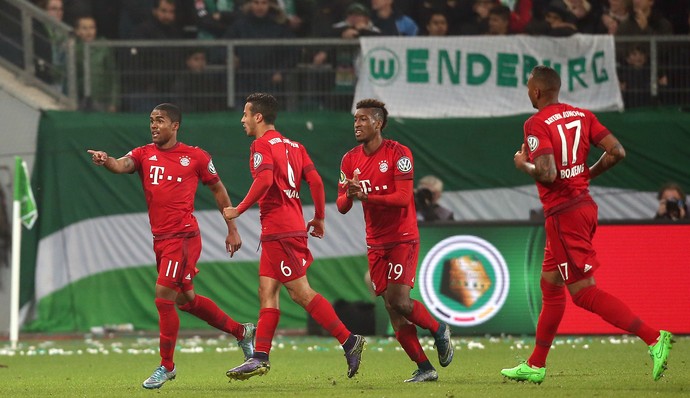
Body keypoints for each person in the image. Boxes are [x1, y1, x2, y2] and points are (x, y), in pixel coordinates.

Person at [501, 65, 673, 384]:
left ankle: (653, 338)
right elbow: (616, 151)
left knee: (583, 293)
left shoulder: (535, 123)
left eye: (528, 87)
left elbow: (548, 173)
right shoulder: (582, 115)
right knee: (550, 285)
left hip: (564, 213)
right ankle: (536, 364)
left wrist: (522, 164)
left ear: (537, 91)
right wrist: (586, 175)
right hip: (582, 206)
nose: (528, 92)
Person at [87, 103, 255, 390]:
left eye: (160, 121)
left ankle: (167, 366)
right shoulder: (143, 154)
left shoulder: (196, 157)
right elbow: (121, 164)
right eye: (151, 120)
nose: (153, 125)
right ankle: (242, 332)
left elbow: (218, 189)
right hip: (161, 241)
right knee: (185, 301)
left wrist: (232, 228)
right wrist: (107, 160)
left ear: (175, 126)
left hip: (184, 238)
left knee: (163, 297)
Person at [222, 93, 365, 381]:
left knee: (300, 292)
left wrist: (238, 209)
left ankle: (349, 340)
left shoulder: (260, 145)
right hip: (283, 230)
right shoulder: (295, 146)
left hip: (281, 230)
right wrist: (320, 217)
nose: (243, 120)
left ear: (258, 117)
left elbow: (263, 180)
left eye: (246, 114)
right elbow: (314, 180)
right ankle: (259, 357)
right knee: (267, 292)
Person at [337, 98, 454, 383]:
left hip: (402, 237)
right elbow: (341, 205)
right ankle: (425, 367)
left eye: (363, 119)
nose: (357, 124)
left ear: (378, 123)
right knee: (392, 308)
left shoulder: (399, 154)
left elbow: (403, 199)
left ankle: (439, 329)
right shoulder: (350, 158)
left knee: (399, 300)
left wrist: (366, 196)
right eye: (355, 119)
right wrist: (350, 195)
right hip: (375, 242)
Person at [73, 15, 119, 112]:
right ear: (77, 31)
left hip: (101, 100)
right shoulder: (73, 49)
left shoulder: (104, 47)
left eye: (92, 27)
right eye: (84, 28)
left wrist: (114, 102)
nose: (89, 32)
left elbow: (113, 76)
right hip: (79, 101)